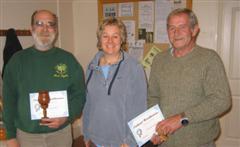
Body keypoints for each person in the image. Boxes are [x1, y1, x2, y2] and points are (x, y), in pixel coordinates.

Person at [148, 8, 231, 147]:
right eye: (171, 28)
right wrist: (154, 128)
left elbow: (222, 100)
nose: (176, 33)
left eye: (182, 27)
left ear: (194, 30)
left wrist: (182, 118)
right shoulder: (159, 60)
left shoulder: (209, 59)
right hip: (165, 142)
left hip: (198, 142)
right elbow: (153, 97)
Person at [2, 10, 86, 147]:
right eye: (40, 23)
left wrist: (67, 116)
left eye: (50, 24)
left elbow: (80, 94)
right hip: (26, 137)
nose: (45, 29)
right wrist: (10, 136)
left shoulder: (68, 60)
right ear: (31, 28)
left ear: (56, 29)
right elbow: (8, 100)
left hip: (61, 135)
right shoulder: (17, 61)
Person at [82, 17, 147, 147]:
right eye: (105, 36)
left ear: (122, 39)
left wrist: (131, 141)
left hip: (122, 142)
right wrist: (86, 135)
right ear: (100, 39)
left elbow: (141, 107)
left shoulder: (134, 68)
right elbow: (88, 104)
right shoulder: (91, 67)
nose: (110, 41)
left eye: (115, 36)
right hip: (95, 140)